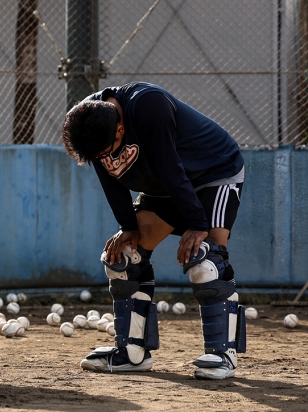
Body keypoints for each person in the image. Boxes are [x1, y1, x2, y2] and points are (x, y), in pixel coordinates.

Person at [61, 82, 246, 380]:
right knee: (124, 258)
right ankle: (132, 353)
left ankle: (223, 354)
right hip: (163, 187)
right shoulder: (89, 119)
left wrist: (199, 224)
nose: (104, 158)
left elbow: (171, 166)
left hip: (214, 174)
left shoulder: (148, 105)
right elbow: (111, 180)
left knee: (207, 261)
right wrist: (128, 228)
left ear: (120, 130)